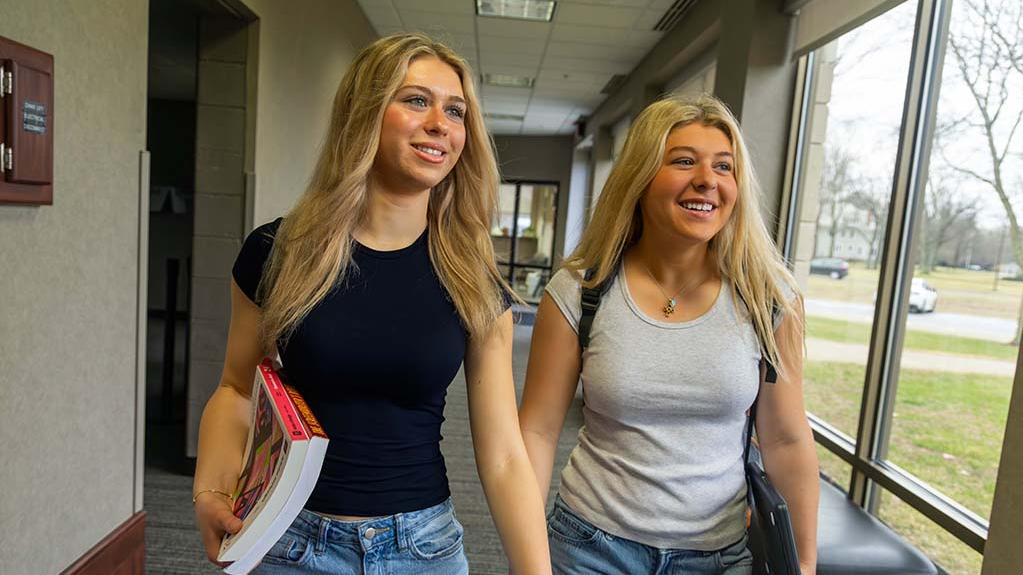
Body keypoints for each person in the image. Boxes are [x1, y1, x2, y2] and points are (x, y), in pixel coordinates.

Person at [192, 33, 551, 574]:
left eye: (455, 110)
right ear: (364, 114)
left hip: (422, 547)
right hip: (293, 540)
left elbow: (503, 456)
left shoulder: (471, 276)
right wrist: (211, 490)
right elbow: (236, 388)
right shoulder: (279, 252)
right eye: (415, 100)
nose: (440, 123)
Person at [518, 95, 819, 574]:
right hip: (589, 547)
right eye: (683, 161)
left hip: (718, 556)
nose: (708, 179)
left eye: (725, 166)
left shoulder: (771, 299)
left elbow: (785, 440)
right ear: (639, 177)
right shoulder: (581, 290)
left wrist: (802, 563)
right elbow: (535, 431)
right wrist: (527, 555)